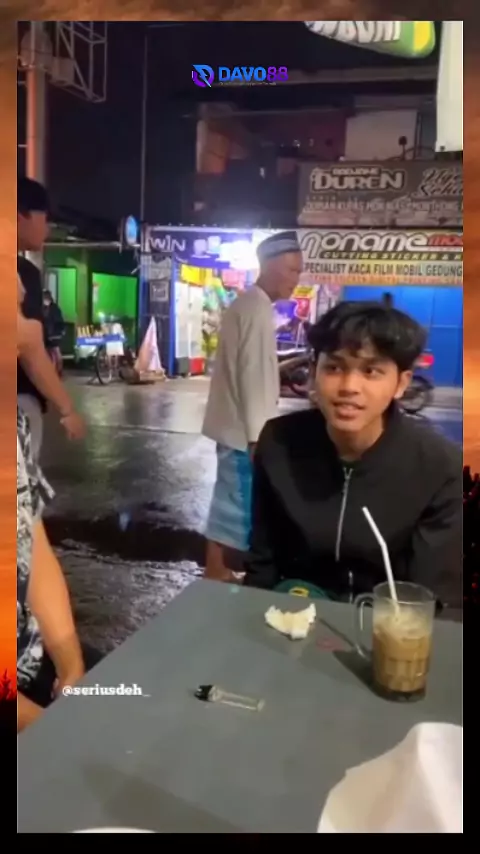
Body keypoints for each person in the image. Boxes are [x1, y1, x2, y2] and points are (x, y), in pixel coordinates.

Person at [244, 301, 462, 608]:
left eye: (371, 371)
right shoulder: (279, 442)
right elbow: (262, 560)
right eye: (334, 368)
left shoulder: (439, 467)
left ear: (401, 383)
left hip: (385, 621)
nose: (349, 386)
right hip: (294, 612)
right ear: (314, 372)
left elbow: (436, 597)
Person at [202, 231, 303, 581]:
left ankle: (217, 569)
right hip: (242, 431)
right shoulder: (257, 309)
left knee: (227, 503)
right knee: (239, 506)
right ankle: (222, 572)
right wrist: (259, 438)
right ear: (270, 266)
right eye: (292, 270)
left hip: (233, 426)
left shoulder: (246, 304)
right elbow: (253, 376)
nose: (296, 279)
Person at [17, 405, 101, 732]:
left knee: (137, 696)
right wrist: (51, 731)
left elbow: (31, 545)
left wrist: (71, 668)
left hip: (24, 654)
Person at [17, 176, 85, 458]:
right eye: (44, 217)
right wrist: (67, 409)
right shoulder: (18, 272)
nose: (47, 227)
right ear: (20, 215)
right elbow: (28, 346)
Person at [43, 289, 65, 376]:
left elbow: (59, 322)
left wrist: (58, 332)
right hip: (46, 335)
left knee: (56, 353)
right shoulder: (42, 308)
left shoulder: (54, 309)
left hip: (54, 335)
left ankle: (59, 371)